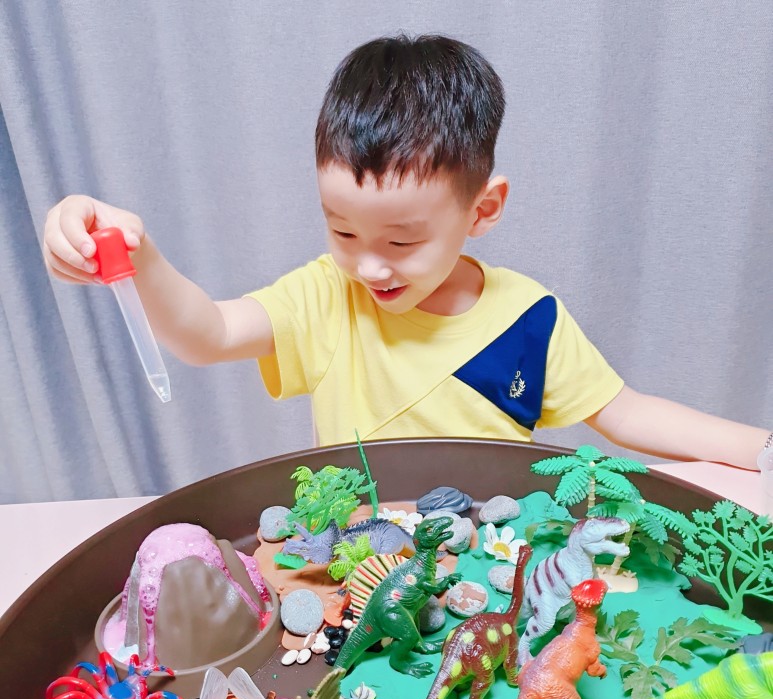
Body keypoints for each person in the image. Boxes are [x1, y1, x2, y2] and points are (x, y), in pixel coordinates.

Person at [42, 34, 769, 470]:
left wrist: (761, 449)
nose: (369, 266)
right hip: (357, 576)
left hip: (490, 577)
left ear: (482, 209)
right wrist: (138, 254)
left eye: (401, 240)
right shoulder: (327, 295)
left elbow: (626, 413)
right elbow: (206, 334)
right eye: (342, 231)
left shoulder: (528, 318)